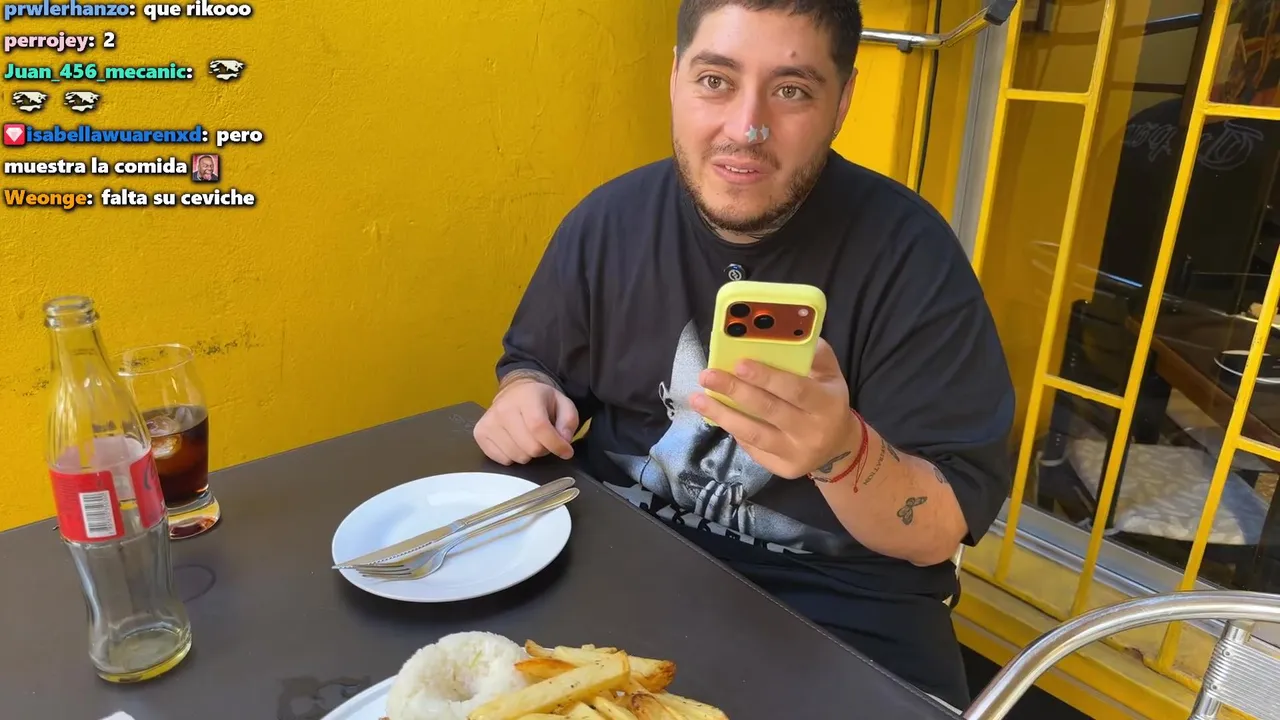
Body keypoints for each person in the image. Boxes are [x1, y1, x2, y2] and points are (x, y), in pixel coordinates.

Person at [473, 0, 1014, 709]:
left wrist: (844, 455)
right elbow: (534, 364)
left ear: (843, 101)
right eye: (715, 81)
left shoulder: (912, 259)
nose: (746, 128)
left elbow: (939, 526)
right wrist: (523, 396)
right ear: (675, 78)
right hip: (618, 581)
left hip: (841, 627)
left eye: (791, 90)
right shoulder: (609, 222)